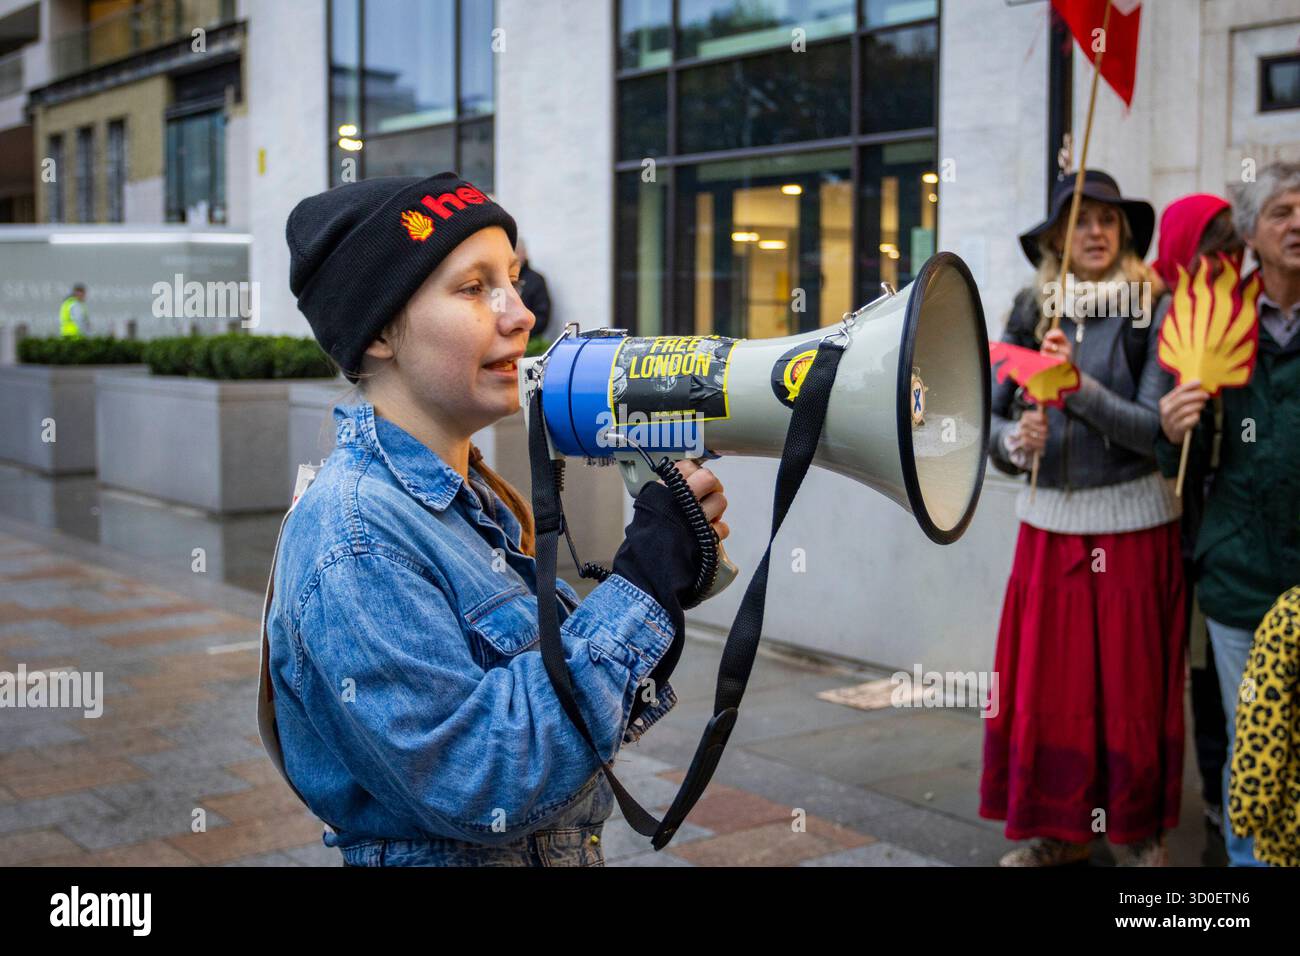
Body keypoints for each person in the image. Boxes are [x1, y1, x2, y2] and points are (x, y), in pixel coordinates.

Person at [266, 172, 730, 866]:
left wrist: (662, 578)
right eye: (474, 287)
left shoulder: (467, 502)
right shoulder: (355, 535)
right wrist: (640, 585)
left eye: (512, 280)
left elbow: (550, 706)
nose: (520, 315)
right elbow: (485, 779)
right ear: (378, 333)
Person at [981, 170, 1186, 867]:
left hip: (1132, 528)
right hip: (1048, 528)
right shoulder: (1030, 309)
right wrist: (1013, 444)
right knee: (1052, 692)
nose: (1094, 233)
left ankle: (1135, 831)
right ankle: (1060, 831)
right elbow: (993, 416)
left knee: (1129, 692)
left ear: (1124, 232)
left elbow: (1155, 429)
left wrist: (1079, 389)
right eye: (1079, 221)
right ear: (1055, 239)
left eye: (1106, 220)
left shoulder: (1154, 310)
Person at [1152, 161, 1300, 867]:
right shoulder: (1216, 317)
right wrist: (1171, 427)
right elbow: (1174, 457)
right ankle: (1251, 865)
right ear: (1250, 232)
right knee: (1253, 739)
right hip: (1240, 571)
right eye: (1281, 211)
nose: (1298, 223)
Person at [1150, 193, 1244, 842]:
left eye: (1234, 252)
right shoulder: (1156, 312)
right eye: (1215, 252)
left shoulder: (1252, 314)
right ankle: (1217, 792)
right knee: (1205, 672)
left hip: (1237, 524)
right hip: (1185, 527)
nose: (1227, 264)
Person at [515, 236, 553, 340]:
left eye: (516, 252)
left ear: (524, 253)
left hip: (529, 340)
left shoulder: (536, 280)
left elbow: (542, 316)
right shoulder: (502, 280)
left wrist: (520, 334)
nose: (514, 257)